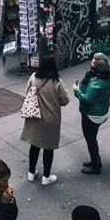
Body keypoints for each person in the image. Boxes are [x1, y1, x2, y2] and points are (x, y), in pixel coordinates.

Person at [20, 52, 70, 186]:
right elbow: (64, 101)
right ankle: (46, 176)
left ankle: (31, 173)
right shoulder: (57, 82)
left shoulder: (33, 78)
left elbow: (27, 93)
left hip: (34, 117)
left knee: (34, 146)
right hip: (51, 120)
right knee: (48, 148)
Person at [73, 51, 110, 176]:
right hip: (101, 111)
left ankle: (95, 167)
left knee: (91, 141)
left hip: (92, 115)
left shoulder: (95, 82)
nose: (90, 62)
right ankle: (96, 161)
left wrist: (76, 90)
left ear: (96, 66)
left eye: (92, 62)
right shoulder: (106, 74)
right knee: (92, 139)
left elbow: (87, 99)